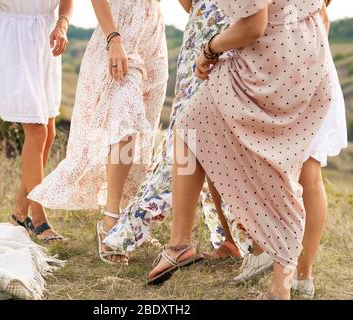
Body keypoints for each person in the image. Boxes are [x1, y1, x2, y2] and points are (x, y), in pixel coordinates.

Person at [148, 0, 332, 300]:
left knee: (193, 128)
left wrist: (209, 50)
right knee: (275, 163)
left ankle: (184, 246)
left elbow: (252, 25)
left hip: (269, 61)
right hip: (307, 56)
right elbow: (320, 13)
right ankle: (279, 282)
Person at [103, 0, 252, 261]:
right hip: (229, 36)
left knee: (190, 139)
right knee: (214, 142)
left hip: (210, 36)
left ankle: (133, 233)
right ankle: (235, 241)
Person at [28, 0, 168, 265]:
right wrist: (114, 39)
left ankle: (130, 221)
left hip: (154, 36)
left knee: (142, 132)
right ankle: (110, 222)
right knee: (125, 120)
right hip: (116, 31)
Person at [231, 0, 347, 300]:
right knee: (306, 177)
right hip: (313, 74)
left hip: (294, 81)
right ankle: (301, 275)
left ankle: (275, 260)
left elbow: (258, 26)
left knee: (288, 173)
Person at [0, 0, 73, 241]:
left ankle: (20, 215)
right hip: (15, 40)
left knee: (49, 132)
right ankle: (40, 221)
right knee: (38, 132)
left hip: (46, 39)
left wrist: (62, 24)